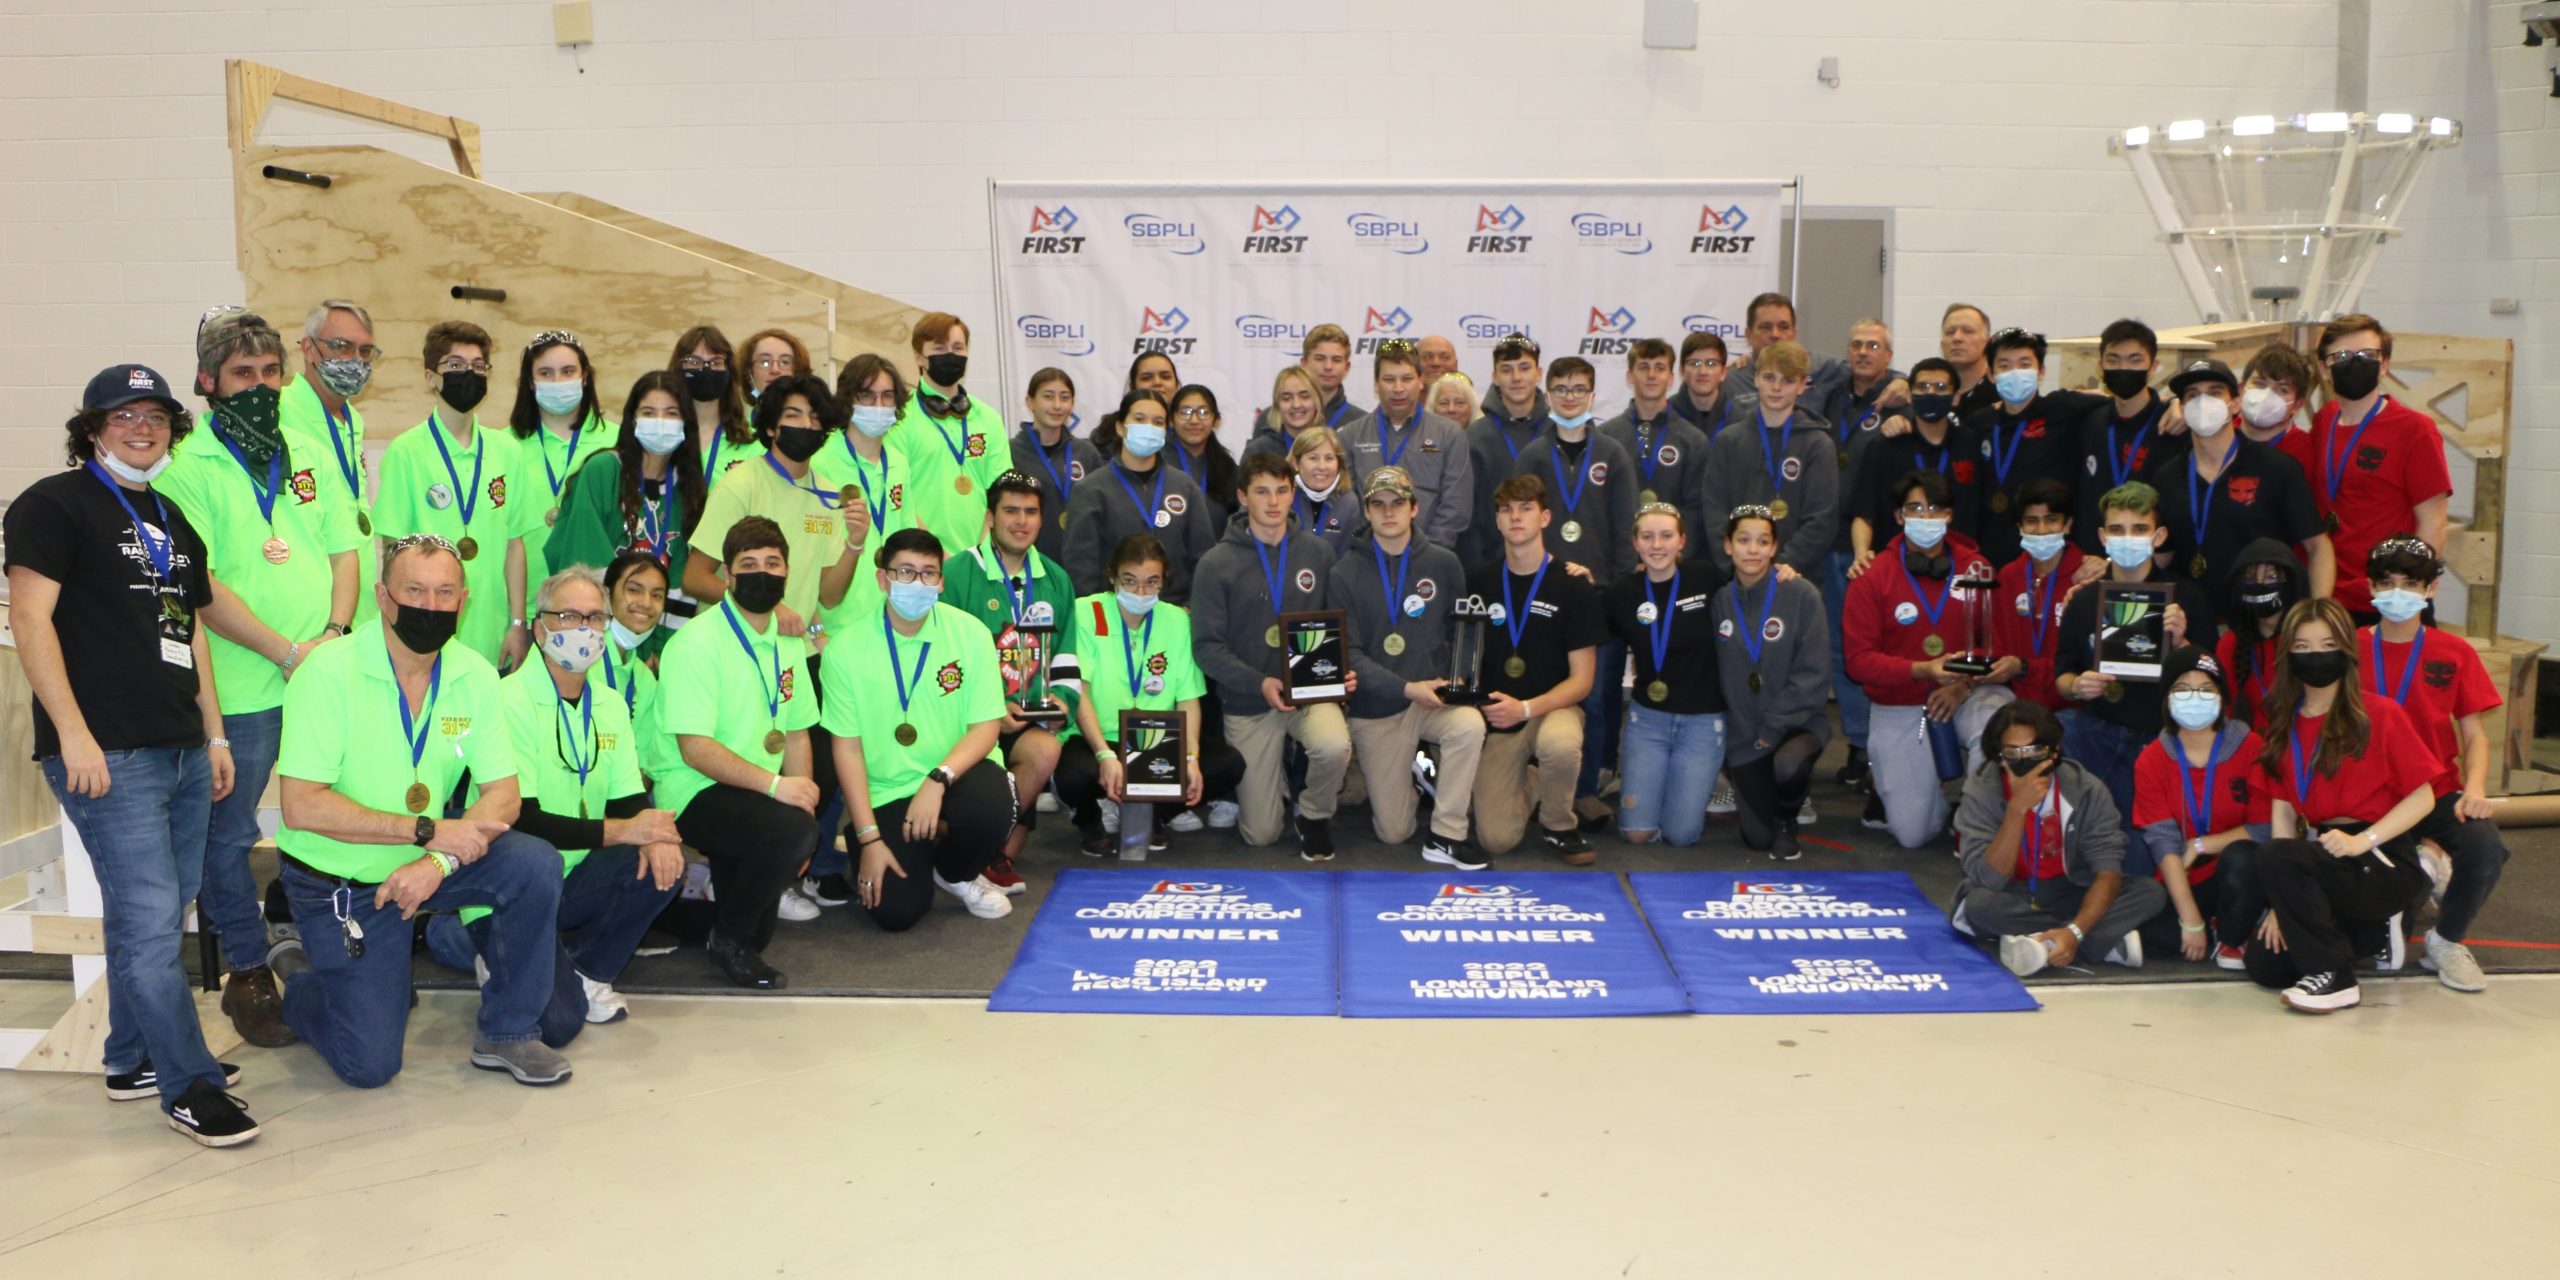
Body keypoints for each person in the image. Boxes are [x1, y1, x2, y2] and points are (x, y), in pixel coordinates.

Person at [5, 365, 253, 1146]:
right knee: (151, 919)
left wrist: (213, 733)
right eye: (123, 414)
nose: (141, 427)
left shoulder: (171, 516)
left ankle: (129, 1057)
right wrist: (73, 733)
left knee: (155, 909)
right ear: (91, 427)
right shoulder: (52, 504)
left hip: (179, 745)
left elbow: (191, 631)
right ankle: (191, 1084)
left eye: (155, 415)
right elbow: (30, 620)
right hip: (107, 753)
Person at [264, 534, 580, 1087]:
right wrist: (427, 832)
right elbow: (301, 806)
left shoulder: (475, 674)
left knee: (533, 863)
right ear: (383, 597)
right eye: (415, 590)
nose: (430, 606)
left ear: (463, 601)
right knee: (370, 1067)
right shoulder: (327, 672)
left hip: (422, 865)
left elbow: (503, 794)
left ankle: (508, 1033)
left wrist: (436, 862)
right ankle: (300, 979)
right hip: (342, 881)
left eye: (444, 593)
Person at [157, 307, 359, 1050]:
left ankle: (346, 949)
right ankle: (247, 969)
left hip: (323, 670)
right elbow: (201, 584)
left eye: (271, 373)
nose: (261, 386)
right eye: (243, 374)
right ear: (209, 382)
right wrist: (284, 650)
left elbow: (344, 550)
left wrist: (334, 636)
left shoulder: (306, 447)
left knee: (339, 810)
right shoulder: (187, 471)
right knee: (230, 834)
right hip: (245, 686)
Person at [424, 567, 684, 1023]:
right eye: (568, 616)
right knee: (557, 1022)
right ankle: (463, 941)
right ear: (540, 629)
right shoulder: (507, 699)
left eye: (595, 618)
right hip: (516, 881)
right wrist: (628, 830)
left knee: (662, 861)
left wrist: (656, 833)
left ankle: (586, 969)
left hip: (574, 874)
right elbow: (522, 818)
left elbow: (627, 800)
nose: (583, 629)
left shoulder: (609, 705)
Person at [651, 518, 821, 989]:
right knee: (788, 834)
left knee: (762, 929)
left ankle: (661, 916)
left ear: (787, 571)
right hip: (695, 791)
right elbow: (696, 749)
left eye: (772, 564)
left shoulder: (788, 644)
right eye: (748, 565)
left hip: (754, 795)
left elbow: (798, 733)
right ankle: (726, 939)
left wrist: (801, 795)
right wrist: (780, 794)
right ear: (726, 574)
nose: (762, 574)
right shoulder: (695, 643)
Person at [2247, 598, 2440, 1012]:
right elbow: (2282, 808)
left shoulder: (2380, 714)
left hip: (2378, 851)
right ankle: (2373, 933)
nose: (2315, 655)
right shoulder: (2283, 722)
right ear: (2287, 656)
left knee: (2279, 856)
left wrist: (2362, 841)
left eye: (2326, 643)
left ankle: (2336, 977)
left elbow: (2424, 796)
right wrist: (2283, 900)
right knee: (2266, 965)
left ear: (2346, 651)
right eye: (2301, 647)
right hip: (2321, 851)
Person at [821, 529, 1018, 928]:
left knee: (991, 807)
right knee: (895, 913)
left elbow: (986, 727)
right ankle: (911, 851)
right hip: (888, 791)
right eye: (905, 572)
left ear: (941, 582)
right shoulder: (844, 649)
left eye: (929, 573)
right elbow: (846, 750)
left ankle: (955, 871)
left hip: (955, 774)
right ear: (882, 579)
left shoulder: (971, 634)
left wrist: (937, 779)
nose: (918, 583)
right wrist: (869, 837)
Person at [2358, 536, 2508, 992]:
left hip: (2437, 788)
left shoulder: (2454, 652)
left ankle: (2445, 940)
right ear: (2370, 586)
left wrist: (2475, 790)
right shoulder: (2347, 649)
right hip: (2372, 794)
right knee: (2381, 931)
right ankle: (2422, 870)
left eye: (2410, 583)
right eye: (2387, 583)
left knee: (2485, 849)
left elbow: (2474, 734)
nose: (2397, 593)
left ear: (2431, 589)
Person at [2052, 482, 2218, 870]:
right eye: (2118, 529)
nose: (2128, 538)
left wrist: (2182, 643)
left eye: (2140, 529)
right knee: (2082, 843)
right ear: (2102, 536)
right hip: (2097, 732)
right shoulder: (2083, 600)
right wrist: (2077, 686)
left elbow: (2214, 679)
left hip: (2159, 740)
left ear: (2158, 536)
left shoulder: (2187, 598)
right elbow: (2061, 675)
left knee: (2141, 861)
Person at [1843, 469, 2013, 848]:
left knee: (1997, 725)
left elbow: (1999, 646)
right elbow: (1858, 662)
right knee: (1911, 835)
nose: (1925, 518)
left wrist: (1962, 683)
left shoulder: (1977, 568)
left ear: (1950, 516)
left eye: (1935, 509)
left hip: (1968, 695)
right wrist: (1922, 670)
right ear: (1899, 517)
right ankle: (1913, 787)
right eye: (1915, 509)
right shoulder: (1872, 576)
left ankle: (1975, 823)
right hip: (1903, 703)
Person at [1192, 452, 1350, 856]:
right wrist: (1258, 682)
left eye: (1282, 490)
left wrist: (1340, 672)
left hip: (1308, 694)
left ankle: (1313, 812)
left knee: (1333, 746)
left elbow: (1336, 627)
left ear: (1292, 494)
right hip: (1248, 700)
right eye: (1262, 491)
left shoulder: (1317, 553)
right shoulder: (1215, 563)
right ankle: (1272, 783)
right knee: (1260, 835)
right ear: (1243, 497)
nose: (1274, 501)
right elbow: (1206, 647)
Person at [1331, 467, 1485, 868]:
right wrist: (1406, 688)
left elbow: (1459, 631)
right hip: (1379, 708)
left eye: (1398, 503)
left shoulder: (1444, 563)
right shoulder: (1345, 571)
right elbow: (1349, 653)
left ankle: (1447, 834)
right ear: (1366, 512)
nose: (1388, 512)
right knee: (1394, 832)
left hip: (1432, 700)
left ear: (1414, 507)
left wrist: (1458, 676)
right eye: (1378, 504)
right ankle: (1418, 771)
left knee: (1469, 724)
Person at [1054, 535, 1245, 855]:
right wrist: (1104, 754)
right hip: (1097, 736)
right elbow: (1079, 692)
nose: (1140, 593)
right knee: (1073, 775)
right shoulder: (1086, 612)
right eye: (1130, 582)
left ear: (1163, 581)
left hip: (1156, 738)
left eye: (1151, 583)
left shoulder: (1176, 620)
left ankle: (1154, 816)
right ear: (1112, 577)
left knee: (1229, 764)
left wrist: (1190, 758)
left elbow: (1188, 700)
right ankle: (1091, 820)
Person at [1950, 700, 2163, 976]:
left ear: (2054, 751)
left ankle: (2047, 943)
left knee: (2150, 892)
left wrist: (2075, 931)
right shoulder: (1982, 790)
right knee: (1978, 907)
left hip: (2072, 887)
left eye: (2034, 750)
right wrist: (2017, 809)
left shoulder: (2086, 788)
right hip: (2012, 891)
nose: (2024, 760)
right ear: (1999, 756)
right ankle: (2097, 940)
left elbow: (2107, 870)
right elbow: (1989, 878)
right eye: (2013, 752)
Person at [1510, 357, 1637, 822]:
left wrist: (1615, 586)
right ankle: (1542, 782)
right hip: (1546, 590)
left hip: (1598, 594)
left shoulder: (1613, 454)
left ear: (1592, 394)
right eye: (1560, 388)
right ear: (1548, 395)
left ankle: (1588, 786)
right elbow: (1522, 526)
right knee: (1546, 687)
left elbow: (1627, 529)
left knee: (1599, 694)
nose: (1569, 396)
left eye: (1578, 389)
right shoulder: (1532, 456)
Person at [941, 471, 1080, 889]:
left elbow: (1068, 655)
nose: (1021, 521)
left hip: (1028, 721)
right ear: (990, 517)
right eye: (1011, 511)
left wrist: (1060, 702)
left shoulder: (1056, 579)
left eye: (1031, 512)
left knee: (1044, 751)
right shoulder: (957, 573)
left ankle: (990, 853)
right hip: (968, 721)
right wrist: (991, 711)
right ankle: (969, 847)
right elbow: (946, 665)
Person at [374, 320, 530, 669]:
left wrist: (517, 624)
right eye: (455, 365)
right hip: (426, 631)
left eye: (478, 366)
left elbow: (514, 544)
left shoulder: (507, 450)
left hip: (492, 631)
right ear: (430, 377)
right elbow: (392, 549)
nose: (468, 374)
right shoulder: (406, 451)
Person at [1467, 474, 1604, 863]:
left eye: (1526, 509)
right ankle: (1534, 780)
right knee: (1495, 839)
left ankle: (1559, 823)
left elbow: (1583, 681)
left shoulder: (1573, 585)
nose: (1515, 518)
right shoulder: (1479, 582)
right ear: (1496, 521)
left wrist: (1527, 708)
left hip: (1554, 708)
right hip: (1500, 718)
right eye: (1506, 510)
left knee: (1559, 745)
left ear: (1545, 518)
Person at [2297, 314, 2454, 621]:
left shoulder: (2415, 430)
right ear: (2323, 370)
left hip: (2386, 598)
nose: (2354, 363)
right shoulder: (2324, 420)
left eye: (2367, 355)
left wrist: (2407, 591)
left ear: (2384, 365)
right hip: (2330, 593)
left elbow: (2433, 523)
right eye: (2341, 356)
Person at [2130, 646, 2273, 969]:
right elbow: (2162, 842)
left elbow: (2264, 828)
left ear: (2222, 697)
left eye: (2206, 690)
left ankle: (2233, 936)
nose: (2194, 698)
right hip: (2184, 875)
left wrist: (2201, 844)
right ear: (2166, 697)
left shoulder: (2251, 748)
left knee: (2241, 858)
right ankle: (2210, 926)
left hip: (2239, 871)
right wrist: (2190, 919)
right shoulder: (2151, 758)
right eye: (2182, 689)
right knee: (2157, 938)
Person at [685, 372, 860, 631]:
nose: (806, 425)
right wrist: (763, 605)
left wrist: (854, 545)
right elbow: (694, 579)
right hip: (734, 643)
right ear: (770, 427)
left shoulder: (829, 495)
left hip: (794, 652)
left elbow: (829, 597)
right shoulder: (740, 485)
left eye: (814, 417)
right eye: (793, 415)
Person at [2147, 357, 2332, 596]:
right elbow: (2162, 553)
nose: (2203, 403)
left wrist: (2319, 612)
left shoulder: (2278, 469)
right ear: (2181, 408)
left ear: (2235, 403)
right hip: (2189, 617)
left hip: (2260, 616)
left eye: (2214, 393)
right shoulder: (2167, 477)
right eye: (2193, 395)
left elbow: (2318, 547)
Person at [1708, 504, 1832, 858]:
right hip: (1745, 736)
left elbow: (1814, 674)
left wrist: (1775, 725)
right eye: (1743, 540)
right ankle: (1760, 792)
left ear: (1775, 548)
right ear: (1728, 546)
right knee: (1757, 840)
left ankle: (1788, 815)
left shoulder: (1801, 594)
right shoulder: (1719, 601)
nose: (1753, 549)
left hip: (1796, 725)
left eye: (1763, 541)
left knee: (1788, 765)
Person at [1604, 502, 1727, 849]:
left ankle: (1704, 784)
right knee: (1637, 834)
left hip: (1703, 721)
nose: (1657, 545)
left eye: (1666, 536)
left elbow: (1751, 596)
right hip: (1649, 721)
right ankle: (1662, 787)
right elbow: (1586, 623)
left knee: (1681, 835)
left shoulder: (1706, 578)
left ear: (1682, 541)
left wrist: (1783, 575)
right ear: (1635, 544)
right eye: (1648, 536)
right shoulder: (1621, 592)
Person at [545, 371, 706, 598]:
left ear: (686, 422)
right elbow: (582, 554)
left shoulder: (687, 486)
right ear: (633, 419)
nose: (660, 423)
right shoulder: (604, 471)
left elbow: (682, 573)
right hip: (601, 617)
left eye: (671, 413)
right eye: (648, 413)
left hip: (662, 623)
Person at [1962, 328, 2104, 566]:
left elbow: (2128, 404)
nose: (2015, 372)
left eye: (2024, 364)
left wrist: (2174, 405)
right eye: (2005, 365)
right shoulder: (1980, 422)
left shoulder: (2064, 408)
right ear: (1991, 374)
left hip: (2049, 548)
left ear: (2041, 371)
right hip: (1993, 552)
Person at [1064, 388, 1217, 601]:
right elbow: (1080, 567)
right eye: (1139, 419)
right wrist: (1099, 617)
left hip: (1175, 612)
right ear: (1120, 427)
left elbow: (1204, 558)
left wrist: (1191, 608)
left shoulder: (1185, 487)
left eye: (1158, 422)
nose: (1149, 428)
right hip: (1113, 613)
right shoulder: (1091, 489)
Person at [1703, 340, 1836, 582]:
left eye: (1787, 380)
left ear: (1802, 385)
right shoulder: (1728, 441)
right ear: (1755, 379)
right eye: (1769, 377)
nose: (1776, 387)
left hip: (1794, 577)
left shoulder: (1818, 444)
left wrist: (1784, 564)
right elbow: (1714, 510)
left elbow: (1821, 519)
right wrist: (1737, 564)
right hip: (1736, 577)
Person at [286, 300, 382, 624]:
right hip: (310, 613)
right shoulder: (278, 413)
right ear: (309, 349)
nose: (355, 360)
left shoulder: (353, 419)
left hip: (358, 605)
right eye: (341, 347)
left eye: (365, 351)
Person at [811, 353, 915, 629]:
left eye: (887, 396)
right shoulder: (821, 462)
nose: (878, 406)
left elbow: (906, 535)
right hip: (839, 622)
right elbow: (807, 557)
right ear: (849, 400)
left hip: (891, 615)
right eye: (867, 396)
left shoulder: (899, 463)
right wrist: (816, 631)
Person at [1849, 356, 1982, 572]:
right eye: (1922, 387)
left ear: (1956, 397)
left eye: (1940, 387)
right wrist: (1861, 554)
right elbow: (1863, 512)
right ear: (1910, 395)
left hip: (1958, 567)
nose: (1930, 393)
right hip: (1896, 568)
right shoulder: (1885, 446)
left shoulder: (1972, 444)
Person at [509, 330, 613, 598]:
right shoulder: (502, 445)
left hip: (597, 604)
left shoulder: (618, 442)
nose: (558, 381)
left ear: (585, 377)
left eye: (568, 371)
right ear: (530, 382)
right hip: (522, 603)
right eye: (545, 373)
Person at [1341, 340, 1472, 550]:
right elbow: (1347, 504)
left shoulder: (1449, 434)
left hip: (1430, 556)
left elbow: (1456, 508)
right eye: (1389, 379)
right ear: (1376, 384)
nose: (1398, 388)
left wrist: (1425, 552)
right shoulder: (1351, 435)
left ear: (1421, 381)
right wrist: (1369, 549)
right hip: (1368, 557)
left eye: (1407, 379)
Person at [899, 312, 1013, 551]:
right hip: (920, 557)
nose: (950, 355)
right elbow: (899, 495)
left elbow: (1001, 495)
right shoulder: (900, 417)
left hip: (980, 558)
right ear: (919, 357)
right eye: (939, 348)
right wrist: (934, 556)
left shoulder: (988, 418)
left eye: (958, 347)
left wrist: (980, 555)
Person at [2075, 319, 2187, 552]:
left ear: (2153, 366)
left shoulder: (2174, 426)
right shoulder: (2090, 422)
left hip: (2154, 558)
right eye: (2113, 360)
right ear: (2100, 366)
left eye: (2135, 360)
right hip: (2092, 559)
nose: (2123, 368)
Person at [1600, 339, 1713, 545]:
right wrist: (1625, 558)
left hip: (1674, 562)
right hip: (1621, 564)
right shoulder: (1606, 437)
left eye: (1659, 368)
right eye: (1644, 367)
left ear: (1670, 378)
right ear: (1629, 376)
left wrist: (1677, 554)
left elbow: (1696, 510)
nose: (1651, 375)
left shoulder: (1693, 440)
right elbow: (1601, 506)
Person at [1990, 478, 2083, 713]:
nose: (2041, 530)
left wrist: (2024, 668)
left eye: (2051, 520)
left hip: (2072, 708)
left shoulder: (2085, 578)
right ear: (2020, 527)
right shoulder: (2009, 576)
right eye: (2032, 521)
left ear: (2068, 524)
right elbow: (1998, 644)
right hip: (2017, 701)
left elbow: (2083, 664)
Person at [1464, 333, 1550, 567]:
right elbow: (1467, 517)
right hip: (1491, 568)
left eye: (1524, 368)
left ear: (1539, 373)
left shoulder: (1559, 433)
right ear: (1494, 377)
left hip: (1552, 567)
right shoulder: (1474, 438)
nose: (1516, 377)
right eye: (1506, 369)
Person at [2214, 537, 2311, 730]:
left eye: (2271, 577)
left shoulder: (2308, 639)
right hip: (2248, 748)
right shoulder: (2230, 644)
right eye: (2250, 579)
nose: (2260, 585)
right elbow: (2226, 711)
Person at [1013, 366, 1100, 562]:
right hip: (1027, 560)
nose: (1057, 405)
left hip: (1080, 561)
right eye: (1048, 396)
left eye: (1064, 397)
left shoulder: (1087, 453)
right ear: (1030, 402)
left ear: (1072, 404)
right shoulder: (1011, 453)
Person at [598, 551, 671, 751]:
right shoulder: (581, 658)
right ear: (607, 594)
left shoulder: (645, 679)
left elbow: (643, 761)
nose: (646, 603)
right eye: (634, 590)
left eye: (657, 595)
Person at [1735, 293, 1853, 409]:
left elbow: (1862, 373)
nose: (1775, 334)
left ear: (1794, 334)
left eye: (1784, 327)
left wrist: (1872, 395)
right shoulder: (1733, 379)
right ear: (1748, 334)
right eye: (1766, 327)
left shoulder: (1819, 367)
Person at [672, 324, 755, 489]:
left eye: (716, 362)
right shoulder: (660, 435)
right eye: (694, 362)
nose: (705, 369)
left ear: (729, 371)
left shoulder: (754, 441)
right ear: (678, 368)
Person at [1167, 383, 1241, 529]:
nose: (1194, 420)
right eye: (1185, 412)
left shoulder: (1227, 467)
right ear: (1171, 419)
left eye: (1203, 412)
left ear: (1216, 420)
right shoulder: (1158, 461)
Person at [1289, 424, 1363, 554]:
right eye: (1313, 458)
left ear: (1338, 463)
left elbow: (1348, 557)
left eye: (1329, 458)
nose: (1322, 466)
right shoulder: (1282, 497)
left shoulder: (1349, 503)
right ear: (1296, 463)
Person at [2236, 342, 2320, 448]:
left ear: (2297, 405)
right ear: (2241, 390)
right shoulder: (2222, 437)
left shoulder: (2303, 449)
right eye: (2259, 383)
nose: (2266, 395)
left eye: (2282, 390)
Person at [1245, 364, 1326, 462]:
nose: (1296, 405)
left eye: (1304, 396)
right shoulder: (1257, 451)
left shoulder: (1331, 446)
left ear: (1317, 402)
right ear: (1277, 405)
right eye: (1286, 398)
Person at [1668, 331, 1738, 438]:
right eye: (1695, 363)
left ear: (1723, 372)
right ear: (1682, 371)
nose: (1703, 372)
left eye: (1711, 363)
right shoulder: (1666, 415)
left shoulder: (1739, 418)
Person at [1939, 303, 1998, 419]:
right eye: (1950, 332)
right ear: (1941, 345)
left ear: (1988, 342)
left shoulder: (2002, 393)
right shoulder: (1931, 393)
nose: (1957, 338)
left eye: (1968, 331)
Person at [738, 328, 811, 406]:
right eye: (765, 362)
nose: (775, 370)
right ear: (749, 373)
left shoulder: (815, 417)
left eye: (784, 362)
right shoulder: (739, 417)